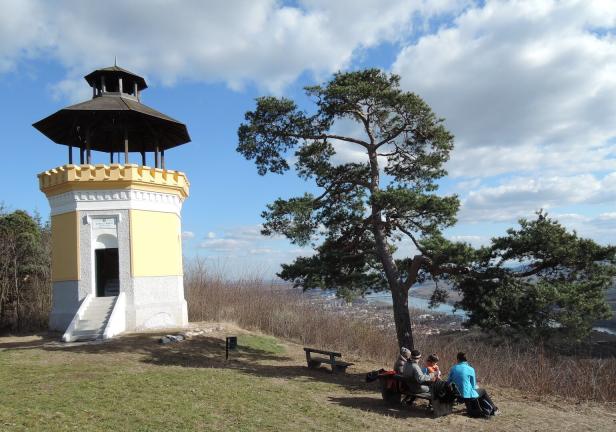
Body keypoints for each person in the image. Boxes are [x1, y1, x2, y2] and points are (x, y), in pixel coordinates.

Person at [447, 352, 499, 416]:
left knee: (475, 393)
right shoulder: (471, 369)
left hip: (458, 396)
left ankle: (480, 408)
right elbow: (473, 385)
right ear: (466, 360)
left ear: (458, 359)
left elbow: (448, 382)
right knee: (483, 391)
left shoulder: (453, 368)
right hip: (468, 396)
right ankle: (494, 409)